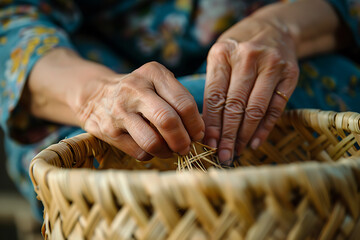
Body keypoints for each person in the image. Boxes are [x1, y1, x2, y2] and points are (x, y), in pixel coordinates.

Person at [1, 0, 360, 218]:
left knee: (228, 100)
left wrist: (280, 26)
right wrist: (94, 95)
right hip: (82, 89)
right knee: (115, 150)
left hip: (295, 62)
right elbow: (11, 20)